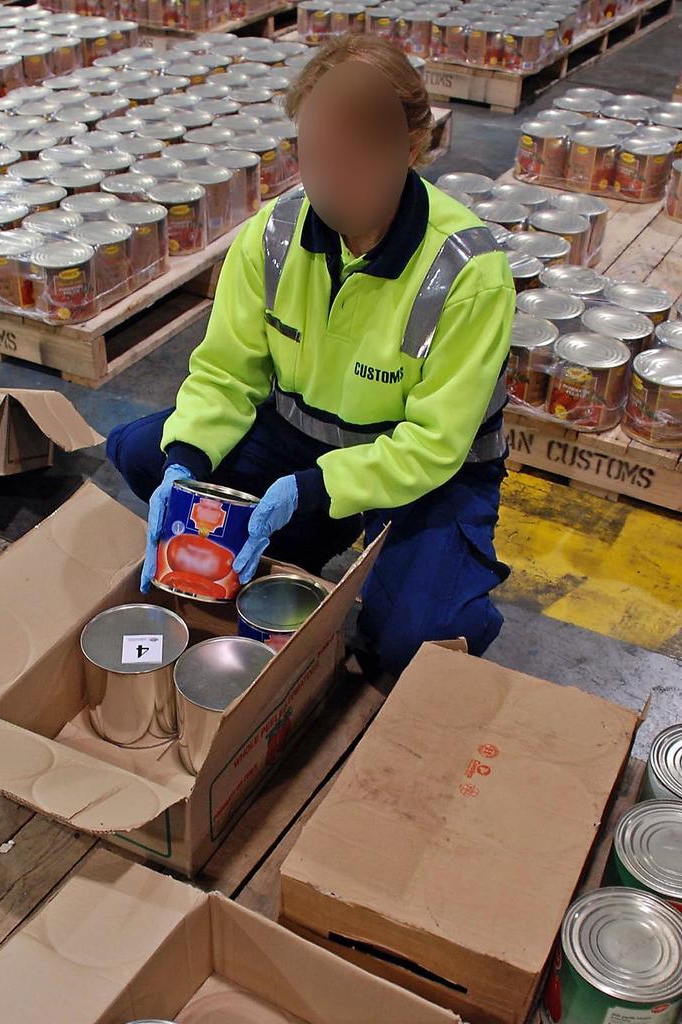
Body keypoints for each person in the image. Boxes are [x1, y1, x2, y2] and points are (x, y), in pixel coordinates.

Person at [107, 34, 514, 676]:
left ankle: (413, 573)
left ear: (410, 149)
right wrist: (186, 462)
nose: (328, 180)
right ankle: (300, 542)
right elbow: (223, 375)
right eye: (315, 155)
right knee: (142, 452)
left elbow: (436, 443)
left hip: (422, 475)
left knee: (420, 639)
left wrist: (318, 489)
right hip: (300, 443)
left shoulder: (467, 272)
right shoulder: (271, 235)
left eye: (353, 160)